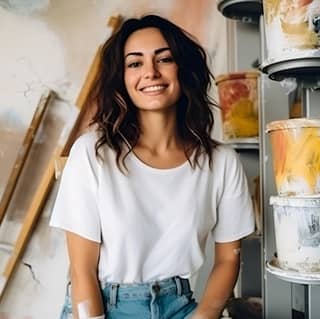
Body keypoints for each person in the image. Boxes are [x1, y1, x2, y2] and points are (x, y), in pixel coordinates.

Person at [50, 14, 255, 319]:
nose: (150, 73)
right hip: (103, 308)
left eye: (165, 59)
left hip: (182, 307)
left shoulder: (221, 162)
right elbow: (82, 272)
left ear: (183, 69)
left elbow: (228, 259)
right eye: (135, 63)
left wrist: (202, 316)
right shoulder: (92, 153)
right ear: (122, 77)